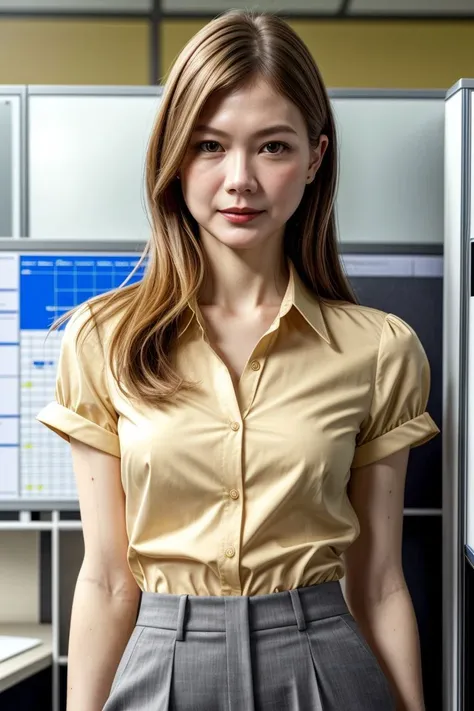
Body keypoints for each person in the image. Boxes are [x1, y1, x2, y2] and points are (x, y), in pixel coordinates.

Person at [36, 10, 440, 711]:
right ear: (174, 156)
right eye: (210, 145)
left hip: (323, 663)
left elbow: (378, 582)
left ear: (315, 158)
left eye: (273, 147)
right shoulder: (102, 338)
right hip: (161, 659)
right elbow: (104, 577)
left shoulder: (380, 349)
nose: (240, 180)